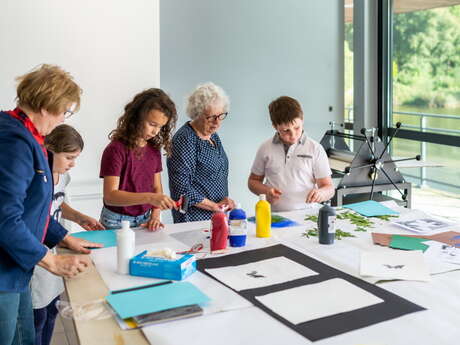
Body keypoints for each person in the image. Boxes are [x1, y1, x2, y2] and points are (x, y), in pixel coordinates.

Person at [0, 64, 102, 345]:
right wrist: (51, 260)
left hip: (17, 268)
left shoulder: (28, 137)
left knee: (26, 338)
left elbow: (35, 209)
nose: (62, 120)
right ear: (46, 105)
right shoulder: (14, 141)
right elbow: (5, 218)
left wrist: (65, 237)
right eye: (64, 112)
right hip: (4, 273)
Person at [31, 124, 104, 345]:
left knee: (52, 310)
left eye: (76, 158)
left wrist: (80, 218)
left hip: (53, 250)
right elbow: (39, 218)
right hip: (38, 255)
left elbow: (59, 204)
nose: (73, 164)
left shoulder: (63, 177)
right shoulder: (37, 180)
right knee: (38, 315)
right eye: (69, 157)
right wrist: (66, 237)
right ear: (49, 150)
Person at [100, 88, 178, 230]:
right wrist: (149, 198)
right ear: (136, 117)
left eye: (160, 127)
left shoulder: (154, 150)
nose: (155, 132)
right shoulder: (115, 150)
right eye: (152, 124)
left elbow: (156, 188)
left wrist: (155, 215)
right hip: (116, 222)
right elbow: (110, 196)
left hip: (145, 218)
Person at [248, 96, 334, 212]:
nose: (293, 135)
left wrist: (321, 193)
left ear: (302, 120)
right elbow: (253, 182)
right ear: (275, 126)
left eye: (297, 128)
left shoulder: (315, 149)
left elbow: (329, 187)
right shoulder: (265, 148)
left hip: (307, 215)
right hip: (275, 215)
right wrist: (267, 191)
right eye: (286, 130)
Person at [167, 82, 235, 223]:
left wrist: (224, 201)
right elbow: (181, 188)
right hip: (193, 219)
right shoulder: (185, 139)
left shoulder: (213, 136)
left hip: (216, 216)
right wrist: (213, 206)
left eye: (220, 115)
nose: (216, 123)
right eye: (210, 117)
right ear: (196, 114)